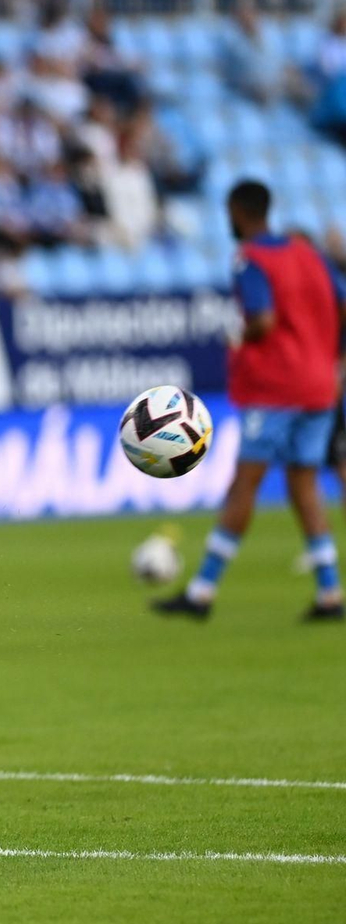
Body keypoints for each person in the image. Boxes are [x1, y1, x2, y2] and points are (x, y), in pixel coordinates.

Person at [155, 181, 346, 622]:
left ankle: (201, 592)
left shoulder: (250, 261)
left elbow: (261, 321)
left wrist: (238, 336)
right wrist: (335, 360)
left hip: (277, 389)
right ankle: (330, 594)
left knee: (245, 484)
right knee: (305, 486)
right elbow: (341, 302)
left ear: (237, 212)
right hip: (320, 388)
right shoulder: (308, 253)